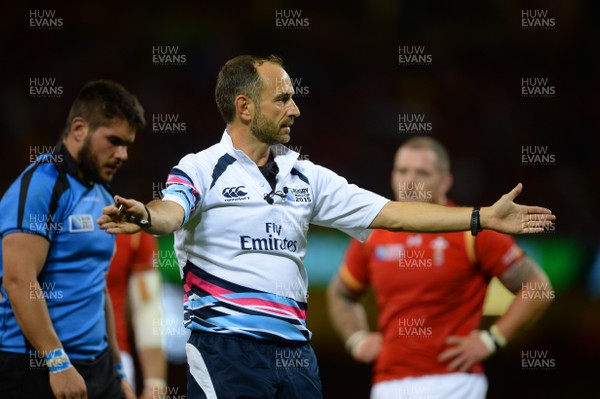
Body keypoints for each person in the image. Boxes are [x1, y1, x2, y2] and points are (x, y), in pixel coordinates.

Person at [96, 55, 555, 399]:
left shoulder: (306, 175)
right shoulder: (201, 167)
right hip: (224, 348)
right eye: (283, 98)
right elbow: (170, 211)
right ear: (245, 107)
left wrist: (481, 218)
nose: (295, 108)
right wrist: (145, 216)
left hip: (296, 353)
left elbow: (392, 213)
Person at [327, 136, 554, 399]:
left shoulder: (474, 228)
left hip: (453, 382)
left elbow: (538, 287)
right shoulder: (373, 235)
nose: (409, 181)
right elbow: (341, 293)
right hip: (387, 383)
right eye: (402, 171)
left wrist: (491, 339)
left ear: (445, 181)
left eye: (422, 172)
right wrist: (356, 339)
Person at [0, 80, 145, 399]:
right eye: (114, 141)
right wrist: (57, 362)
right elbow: (17, 279)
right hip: (37, 367)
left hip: (98, 368)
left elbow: (97, 286)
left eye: (127, 145)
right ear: (79, 128)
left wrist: (118, 370)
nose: (122, 154)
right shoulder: (41, 186)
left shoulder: (104, 194)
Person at [107, 232, 168, 398]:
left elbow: (146, 307)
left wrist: (155, 382)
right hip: (49, 352)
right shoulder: (48, 211)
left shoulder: (133, 227)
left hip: (116, 359)